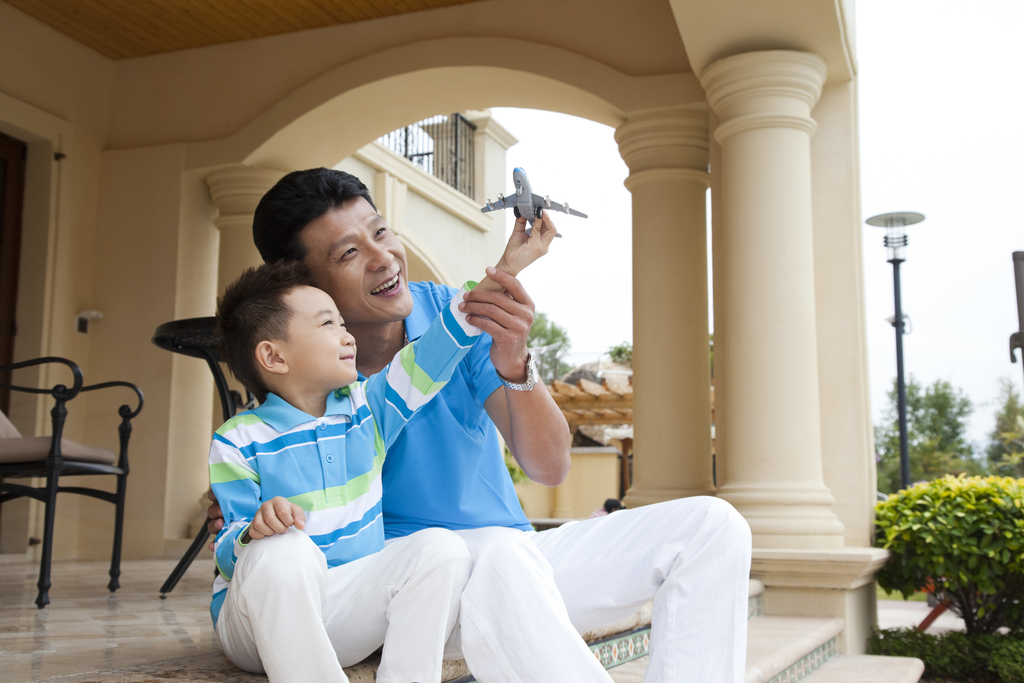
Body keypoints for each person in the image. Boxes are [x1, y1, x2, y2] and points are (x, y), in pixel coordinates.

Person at [209, 167, 752, 681]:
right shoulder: (309, 391)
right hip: (410, 589)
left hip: (516, 562)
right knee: (485, 550)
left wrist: (514, 361)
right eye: (350, 253)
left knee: (712, 527)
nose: (383, 258)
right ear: (305, 286)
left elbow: (550, 467)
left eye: (381, 232)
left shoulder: (450, 317)